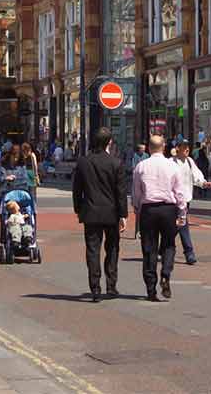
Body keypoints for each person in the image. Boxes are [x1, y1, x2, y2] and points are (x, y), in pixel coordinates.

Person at [72, 128, 128, 303]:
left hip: (91, 212)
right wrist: (123, 215)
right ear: (109, 142)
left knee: (92, 250)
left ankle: (95, 288)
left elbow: (77, 190)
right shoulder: (116, 163)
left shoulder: (83, 162)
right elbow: (121, 192)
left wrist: (78, 209)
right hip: (111, 213)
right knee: (112, 249)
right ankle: (111, 286)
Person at [131, 136, 188, 302]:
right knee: (169, 244)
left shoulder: (141, 166)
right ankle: (166, 274)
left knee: (149, 248)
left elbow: (136, 192)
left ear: (149, 148)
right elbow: (180, 192)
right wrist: (182, 213)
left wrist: (137, 208)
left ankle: (151, 288)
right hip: (168, 209)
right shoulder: (172, 166)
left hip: (148, 209)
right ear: (163, 147)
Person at [170, 139, 211, 265]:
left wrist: (204, 183)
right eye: (184, 147)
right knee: (182, 225)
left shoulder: (189, 161)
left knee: (177, 226)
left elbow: (196, 175)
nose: (187, 149)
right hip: (174, 200)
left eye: (188, 147)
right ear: (177, 148)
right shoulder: (170, 163)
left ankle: (164, 248)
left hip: (186, 199)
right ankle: (189, 253)